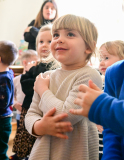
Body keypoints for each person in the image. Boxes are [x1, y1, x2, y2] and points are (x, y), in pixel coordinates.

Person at [25, 14, 102, 160]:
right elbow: (31, 114)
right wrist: (39, 126)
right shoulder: (46, 76)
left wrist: (43, 91)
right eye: (56, 35)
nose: (59, 39)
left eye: (70, 34)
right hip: (43, 151)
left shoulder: (90, 75)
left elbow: (66, 116)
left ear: (88, 47)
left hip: (75, 152)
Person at [12, 24, 70, 160]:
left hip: (46, 110)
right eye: (41, 42)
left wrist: (40, 86)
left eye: (49, 41)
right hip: (30, 111)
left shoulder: (57, 68)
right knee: (26, 143)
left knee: (41, 147)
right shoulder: (35, 66)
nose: (44, 45)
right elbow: (26, 85)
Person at [70, 40, 124, 160]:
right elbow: (112, 130)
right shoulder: (114, 73)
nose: (102, 63)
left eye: (106, 58)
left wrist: (101, 109)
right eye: (100, 59)